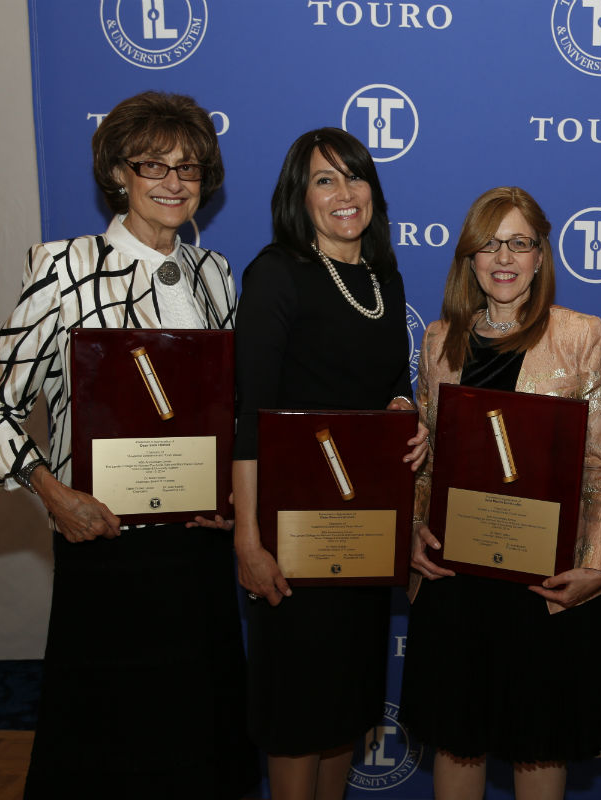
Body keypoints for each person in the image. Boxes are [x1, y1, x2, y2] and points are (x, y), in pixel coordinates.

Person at [0, 91, 257, 798]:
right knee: (108, 751)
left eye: (189, 167)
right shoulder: (64, 268)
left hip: (199, 546)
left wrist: (234, 503)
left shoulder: (216, 276)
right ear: (118, 173)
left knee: (196, 742)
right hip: (107, 541)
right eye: (153, 164)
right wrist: (50, 491)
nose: (174, 182)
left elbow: (235, 408)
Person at [401, 186, 601, 800]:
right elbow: (427, 463)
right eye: (489, 243)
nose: (504, 257)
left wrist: (598, 566)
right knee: (458, 739)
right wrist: (414, 534)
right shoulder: (439, 339)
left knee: (538, 744)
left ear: (539, 255)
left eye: (519, 243)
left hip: (543, 583)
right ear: (469, 257)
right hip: (455, 578)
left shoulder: (580, 334)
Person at [231, 127, 426, 800]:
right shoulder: (277, 274)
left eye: (355, 176)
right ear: (299, 195)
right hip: (291, 538)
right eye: (325, 180)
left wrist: (404, 403)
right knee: (296, 715)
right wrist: (247, 538)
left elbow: (388, 384)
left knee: (345, 707)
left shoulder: (384, 277)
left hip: (365, 531)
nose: (345, 193)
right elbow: (249, 418)